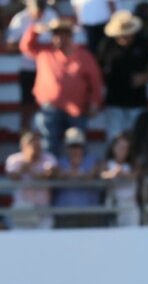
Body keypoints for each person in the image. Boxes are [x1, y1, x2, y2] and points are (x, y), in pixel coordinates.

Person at [21, 17, 102, 159]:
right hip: (50, 108)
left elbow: (95, 81)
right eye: (55, 35)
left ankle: (78, 177)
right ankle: (51, 176)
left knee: (77, 145)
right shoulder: (44, 53)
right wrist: (34, 31)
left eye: (62, 34)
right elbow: (26, 46)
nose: (57, 38)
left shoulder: (84, 56)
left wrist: (95, 102)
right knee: (49, 145)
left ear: (70, 36)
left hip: (77, 110)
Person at [96, 11, 148, 143]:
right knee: (114, 141)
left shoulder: (142, 43)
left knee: (137, 140)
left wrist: (144, 77)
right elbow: (97, 69)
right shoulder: (106, 44)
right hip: (114, 100)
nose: (125, 38)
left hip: (137, 101)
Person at [6, 0, 60, 131]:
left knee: (49, 105)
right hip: (28, 68)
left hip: (48, 69)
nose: (40, 14)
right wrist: (31, 48)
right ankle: (25, 136)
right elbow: (10, 45)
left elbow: (59, 41)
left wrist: (39, 49)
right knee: (27, 105)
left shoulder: (51, 16)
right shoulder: (20, 19)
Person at [5, 129, 58, 229]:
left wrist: (31, 170)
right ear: (23, 145)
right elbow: (13, 176)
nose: (35, 144)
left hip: (43, 210)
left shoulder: (48, 158)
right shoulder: (14, 159)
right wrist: (24, 166)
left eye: (37, 141)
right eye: (31, 141)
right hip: (23, 209)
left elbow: (50, 174)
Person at [52, 125, 102, 228]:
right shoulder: (60, 161)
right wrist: (80, 174)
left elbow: (92, 175)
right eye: (72, 146)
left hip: (89, 213)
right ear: (66, 147)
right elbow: (58, 174)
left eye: (78, 145)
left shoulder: (92, 160)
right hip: (65, 214)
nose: (75, 149)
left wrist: (72, 174)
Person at [100, 131, 140, 226]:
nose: (122, 151)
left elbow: (136, 175)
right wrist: (113, 173)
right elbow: (102, 175)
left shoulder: (133, 165)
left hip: (130, 206)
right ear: (113, 148)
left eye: (125, 148)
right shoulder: (107, 164)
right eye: (119, 147)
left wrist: (123, 174)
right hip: (114, 205)